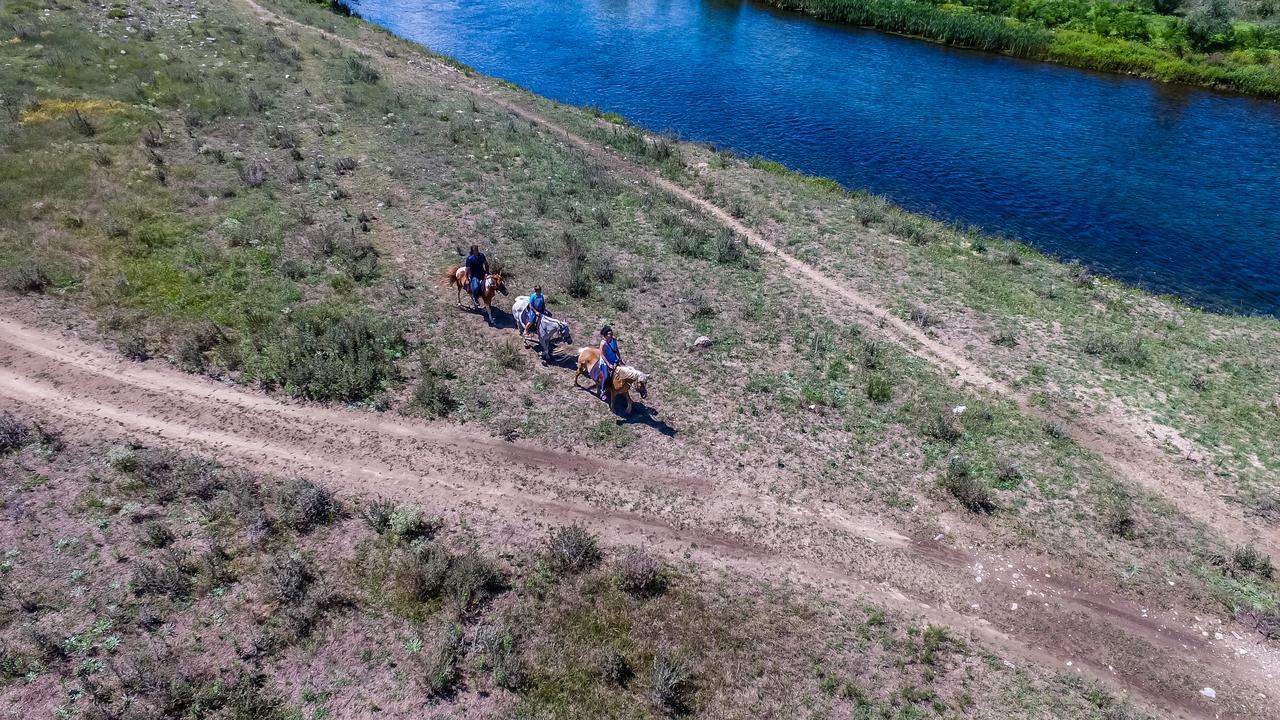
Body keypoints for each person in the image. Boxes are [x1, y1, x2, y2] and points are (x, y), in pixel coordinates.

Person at [597, 325, 622, 400]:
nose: (611, 335)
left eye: (611, 334)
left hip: (613, 359)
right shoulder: (603, 343)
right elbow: (602, 355)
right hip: (605, 361)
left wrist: (620, 358)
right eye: (609, 334)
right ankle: (602, 391)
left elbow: (616, 349)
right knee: (606, 376)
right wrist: (608, 364)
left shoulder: (614, 340)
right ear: (605, 335)